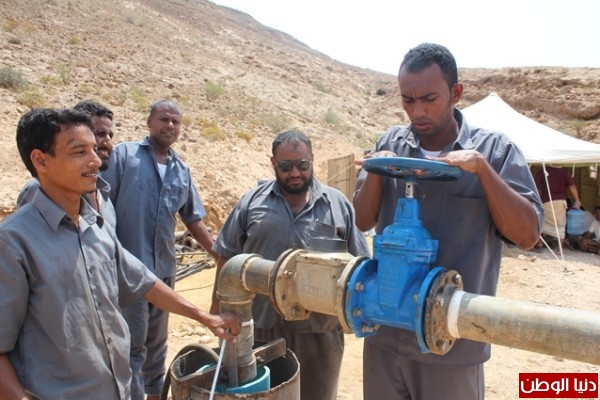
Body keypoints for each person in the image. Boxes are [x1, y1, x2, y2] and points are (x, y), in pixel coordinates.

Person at [0, 108, 240, 400]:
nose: (95, 160)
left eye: (93, 148)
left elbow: (142, 281)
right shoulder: (13, 242)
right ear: (40, 160)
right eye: (79, 151)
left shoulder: (95, 226)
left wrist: (204, 317)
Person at [353, 43, 543, 400]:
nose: (417, 111)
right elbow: (361, 220)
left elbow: (528, 234)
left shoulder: (495, 151)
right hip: (387, 337)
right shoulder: (390, 144)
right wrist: (377, 169)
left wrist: (482, 171)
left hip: (452, 344)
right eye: (408, 100)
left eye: (429, 99)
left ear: (456, 92)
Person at [210, 129, 371, 400]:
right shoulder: (252, 202)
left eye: (302, 165)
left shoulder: (337, 205)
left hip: (319, 333)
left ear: (312, 159)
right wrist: (217, 308)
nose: (295, 173)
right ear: (273, 163)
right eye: (285, 166)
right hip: (260, 329)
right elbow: (228, 256)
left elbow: (359, 266)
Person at [101, 99, 219, 400]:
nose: (170, 125)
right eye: (164, 119)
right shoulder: (124, 156)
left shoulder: (181, 170)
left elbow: (193, 219)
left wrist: (218, 254)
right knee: (131, 348)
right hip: (127, 274)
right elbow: (101, 207)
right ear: (149, 122)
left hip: (164, 272)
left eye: (175, 121)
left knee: (157, 347)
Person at [16, 100, 117, 227]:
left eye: (110, 136)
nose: (108, 143)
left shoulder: (101, 189)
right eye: (100, 134)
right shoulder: (38, 189)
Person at [534, 166, 581, 250]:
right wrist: (577, 200)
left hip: (546, 200)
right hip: (560, 201)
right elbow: (572, 186)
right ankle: (560, 248)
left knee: (541, 221)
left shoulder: (544, 170)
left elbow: (534, 185)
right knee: (561, 224)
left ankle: (539, 243)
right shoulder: (564, 172)